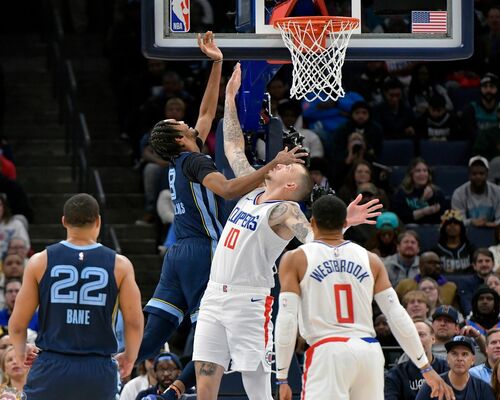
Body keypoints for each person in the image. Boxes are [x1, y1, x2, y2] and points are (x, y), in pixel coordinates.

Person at [191, 66, 382, 400]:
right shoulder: (254, 188)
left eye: (287, 166)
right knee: (205, 384)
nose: (279, 163)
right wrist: (230, 98)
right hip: (214, 295)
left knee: (257, 390)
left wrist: (343, 223)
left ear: (291, 185)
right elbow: (233, 148)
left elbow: (313, 240)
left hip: (249, 301)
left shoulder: (285, 210)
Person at [141, 52, 307, 399]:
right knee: (208, 330)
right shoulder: (195, 161)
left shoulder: (181, 158)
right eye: (178, 124)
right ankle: (175, 385)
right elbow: (230, 188)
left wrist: (217, 66)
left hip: (177, 250)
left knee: (161, 328)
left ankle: (118, 361)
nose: (185, 121)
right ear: (179, 139)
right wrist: (274, 163)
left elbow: (205, 115)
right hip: (205, 248)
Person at [274, 195, 451, 400]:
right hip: (369, 352)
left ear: (312, 223)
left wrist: (282, 377)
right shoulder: (371, 259)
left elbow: (287, 318)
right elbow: (396, 314)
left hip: (327, 350)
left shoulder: (295, 258)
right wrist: (425, 367)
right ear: (344, 223)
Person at [8, 194, 144, 400]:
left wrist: (20, 351)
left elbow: (18, 325)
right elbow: (134, 322)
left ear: (64, 221)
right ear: (98, 221)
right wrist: (130, 356)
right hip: (97, 368)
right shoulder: (120, 265)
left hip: (51, 366)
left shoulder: (39, 261)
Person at [385, 319, 451, 400]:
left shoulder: (447, 368)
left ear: (433, 339)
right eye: (413, 336)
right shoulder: (396, 373)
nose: (417, 340)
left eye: (421, 335)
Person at [416, 336, 495, 400]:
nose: (459, 358)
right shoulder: (431, 385)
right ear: (447, 358)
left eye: (464, 354)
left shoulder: (483, 388)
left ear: (473, 360)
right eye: (454, 353)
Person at [451, 156, 500, 228]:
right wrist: (471, 222)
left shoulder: (499, 192)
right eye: (474, 174)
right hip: (467, 232)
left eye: (481, 173)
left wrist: (491, 224)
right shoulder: (459, 194)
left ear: (487, 174)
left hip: (492, 231)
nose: (478, 177)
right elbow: (458, 221)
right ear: (469, 175)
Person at [391, 158, 448, 225]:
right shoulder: (402, 193)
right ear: (411, 174)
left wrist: (432, 201)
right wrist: (423, 206)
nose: (422, 174)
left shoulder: (437, 193)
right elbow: (401, 217)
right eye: (418, 171)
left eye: (425, 170)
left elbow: (441, 217)